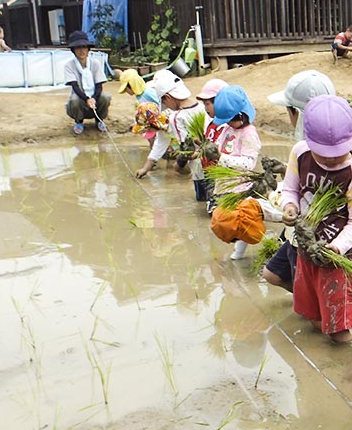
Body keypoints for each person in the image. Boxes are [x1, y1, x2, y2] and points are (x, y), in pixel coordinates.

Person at [280, 95, 352, 344]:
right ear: (308, 140)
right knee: (315, 317)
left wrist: (336, 248)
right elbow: (290, 190)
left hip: (337, 257)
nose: (330, 159)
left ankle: (346, 374)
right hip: (305, 250)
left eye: (337, 154)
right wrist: (289, 207)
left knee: (339, 330)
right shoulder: (300, 154)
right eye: (323, 154)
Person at [262, 70, 337, 291]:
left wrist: (280, 202)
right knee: (271, 273)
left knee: (309, 292)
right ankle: (306, 302)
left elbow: (319, 190)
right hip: (294, 234)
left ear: (296, 113)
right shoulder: (308, 147)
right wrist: (287, 172)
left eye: (288, 111)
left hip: (309, 237)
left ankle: (311, 307)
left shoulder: (321, 152)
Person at [205, 86, 262, 254]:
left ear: (242, 116)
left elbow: (248, 164)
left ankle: (240, 252)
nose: (228, 124)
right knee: (227, 222)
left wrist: (221, 157)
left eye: (230, 120)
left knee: (239, 222)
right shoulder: (228, 129)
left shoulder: (249, 134)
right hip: (225, 184)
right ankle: (237, 252)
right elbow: (219, 147)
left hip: (240, 187)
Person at [135, 69, 206, 179]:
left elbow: (186, 148)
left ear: (167, 97)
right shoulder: (203, 108)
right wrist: (145, 169)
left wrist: (178, 166)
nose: (163, 105)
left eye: (163, 101)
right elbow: (160, 143)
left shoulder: (176, 117)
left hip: (199, 166)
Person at [63, 30, 110, 135]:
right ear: (73, 50)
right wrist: (86, 99)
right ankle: (79, 122)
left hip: (94, 99)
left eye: (84, 47)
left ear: (88, 49)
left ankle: (99, 120)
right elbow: (74, 86)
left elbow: (99, 85)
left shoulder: (95, 64)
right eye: (78, 47)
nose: (81, 51)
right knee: (74, 99)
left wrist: (94, 98)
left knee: (105, 97)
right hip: (80, 99)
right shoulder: (69, 65)